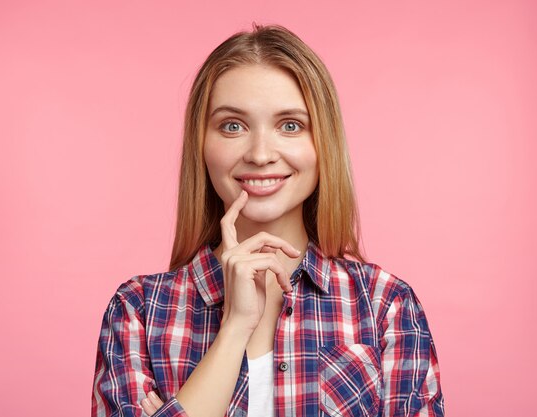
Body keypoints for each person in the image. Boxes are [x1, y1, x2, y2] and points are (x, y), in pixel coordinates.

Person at [91, 24, 444, 417]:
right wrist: (234, 329)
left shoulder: (386, 307)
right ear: (201, 145)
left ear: (322, 143)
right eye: (233, 126)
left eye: (290, 125)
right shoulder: (138, 311)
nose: (260, 154)